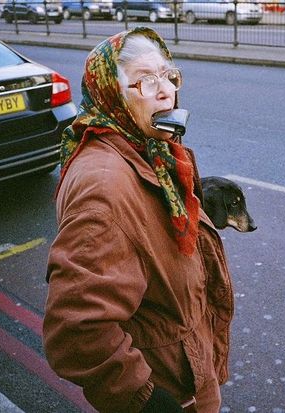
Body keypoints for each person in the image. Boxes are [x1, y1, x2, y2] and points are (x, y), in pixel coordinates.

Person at [43, 27, 234, 413]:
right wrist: (145, 399)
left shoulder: (151, 149)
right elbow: (77, 330)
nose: (165, 90)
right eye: (145, 81)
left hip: (189, 369)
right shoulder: (104, 186)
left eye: (167, 75)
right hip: (171, 390)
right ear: (110, 95)